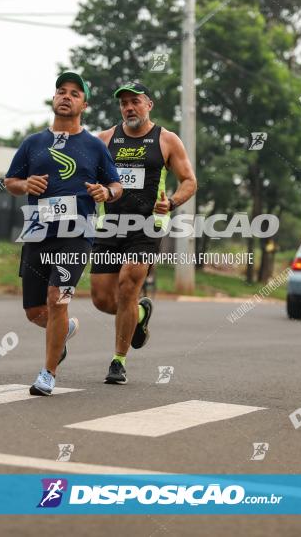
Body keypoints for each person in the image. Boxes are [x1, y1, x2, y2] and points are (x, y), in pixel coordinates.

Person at [4, 71, 122, 396]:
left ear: (85, 103)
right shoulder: (33, 143)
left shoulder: (94, 147)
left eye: (74, 93)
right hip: (38, 229)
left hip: (77, 232)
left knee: (58, 298)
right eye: (61, 91)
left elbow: (116, 185)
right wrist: (25, 184)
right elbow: (10, 181)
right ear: (54, 98)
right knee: (34, 311)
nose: (66, 97)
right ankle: (65, 331)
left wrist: (106, 194)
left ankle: (48, 373)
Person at [91, 82, 197, 385]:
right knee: (102, 299)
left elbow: (189, 180)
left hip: (147, 225)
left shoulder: (166, 140)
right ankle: (138, 314)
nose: (129, 107)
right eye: (123, 103)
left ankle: (118, 361)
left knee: (127, 285)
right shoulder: (105, 140)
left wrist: (173, 202)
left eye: (134, 101)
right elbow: (86, 177)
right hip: (109, 225)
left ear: (148, 104)